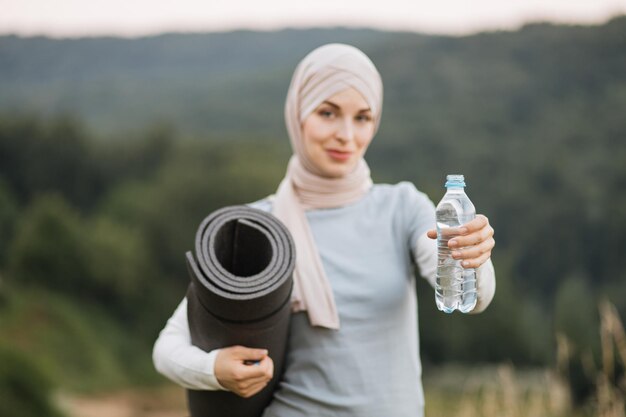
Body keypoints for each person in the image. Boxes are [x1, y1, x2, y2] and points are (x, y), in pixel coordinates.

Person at [153, 43, 496, 416]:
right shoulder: (257, 228)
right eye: (328, 113)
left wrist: (473, 257)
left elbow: (473, 296)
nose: (346, 135)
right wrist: (214, 370)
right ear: (298, 114)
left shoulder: (402, 207)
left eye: (362, 118)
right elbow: (168, 348)